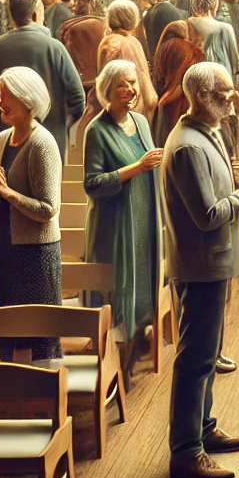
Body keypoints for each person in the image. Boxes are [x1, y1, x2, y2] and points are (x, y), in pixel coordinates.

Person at [162, 62, 239, 478]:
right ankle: (186, 451)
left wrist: (231, 184)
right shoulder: (188, 147)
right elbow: (206, 215)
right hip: (200, 265)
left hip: (212, 263)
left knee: (205, 356)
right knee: (196, 360)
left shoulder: (208, 133)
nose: (232, 95)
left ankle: (203, 427)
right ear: (201, 96)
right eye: (224, 90)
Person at [0, 66, 64, 361]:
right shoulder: (4, 139)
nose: (0, 102)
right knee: (7, 326)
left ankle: (44, 397)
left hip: (36, 253)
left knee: (37, 334)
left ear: (26, 98)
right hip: (7, 246)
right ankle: (9, 396)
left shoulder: (42, 144)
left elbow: (48, 209)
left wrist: (6, 192)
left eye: (7, 96)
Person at [84, 60, 164, 346]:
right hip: (113, 223)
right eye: (122, 84)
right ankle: (116, 343)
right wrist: (137, 167)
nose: (131, 89)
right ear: (107, 89)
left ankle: (140, 331)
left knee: (145, 270)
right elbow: (92, 184)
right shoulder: (96, 131)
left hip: (143, 216)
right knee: (118, 284)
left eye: (133, 82)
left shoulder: (141, 122)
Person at [0, 0, 86, 153]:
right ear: (37, 15)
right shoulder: (55, 48)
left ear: (12, 18)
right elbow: (78, 99)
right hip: (50, 145)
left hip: (4, 145)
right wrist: (59, 127)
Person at [152, 19, 205, 145]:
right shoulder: (189, 50)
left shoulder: (164, 45)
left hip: (167, 101)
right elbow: (183, 79)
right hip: (182, 102)